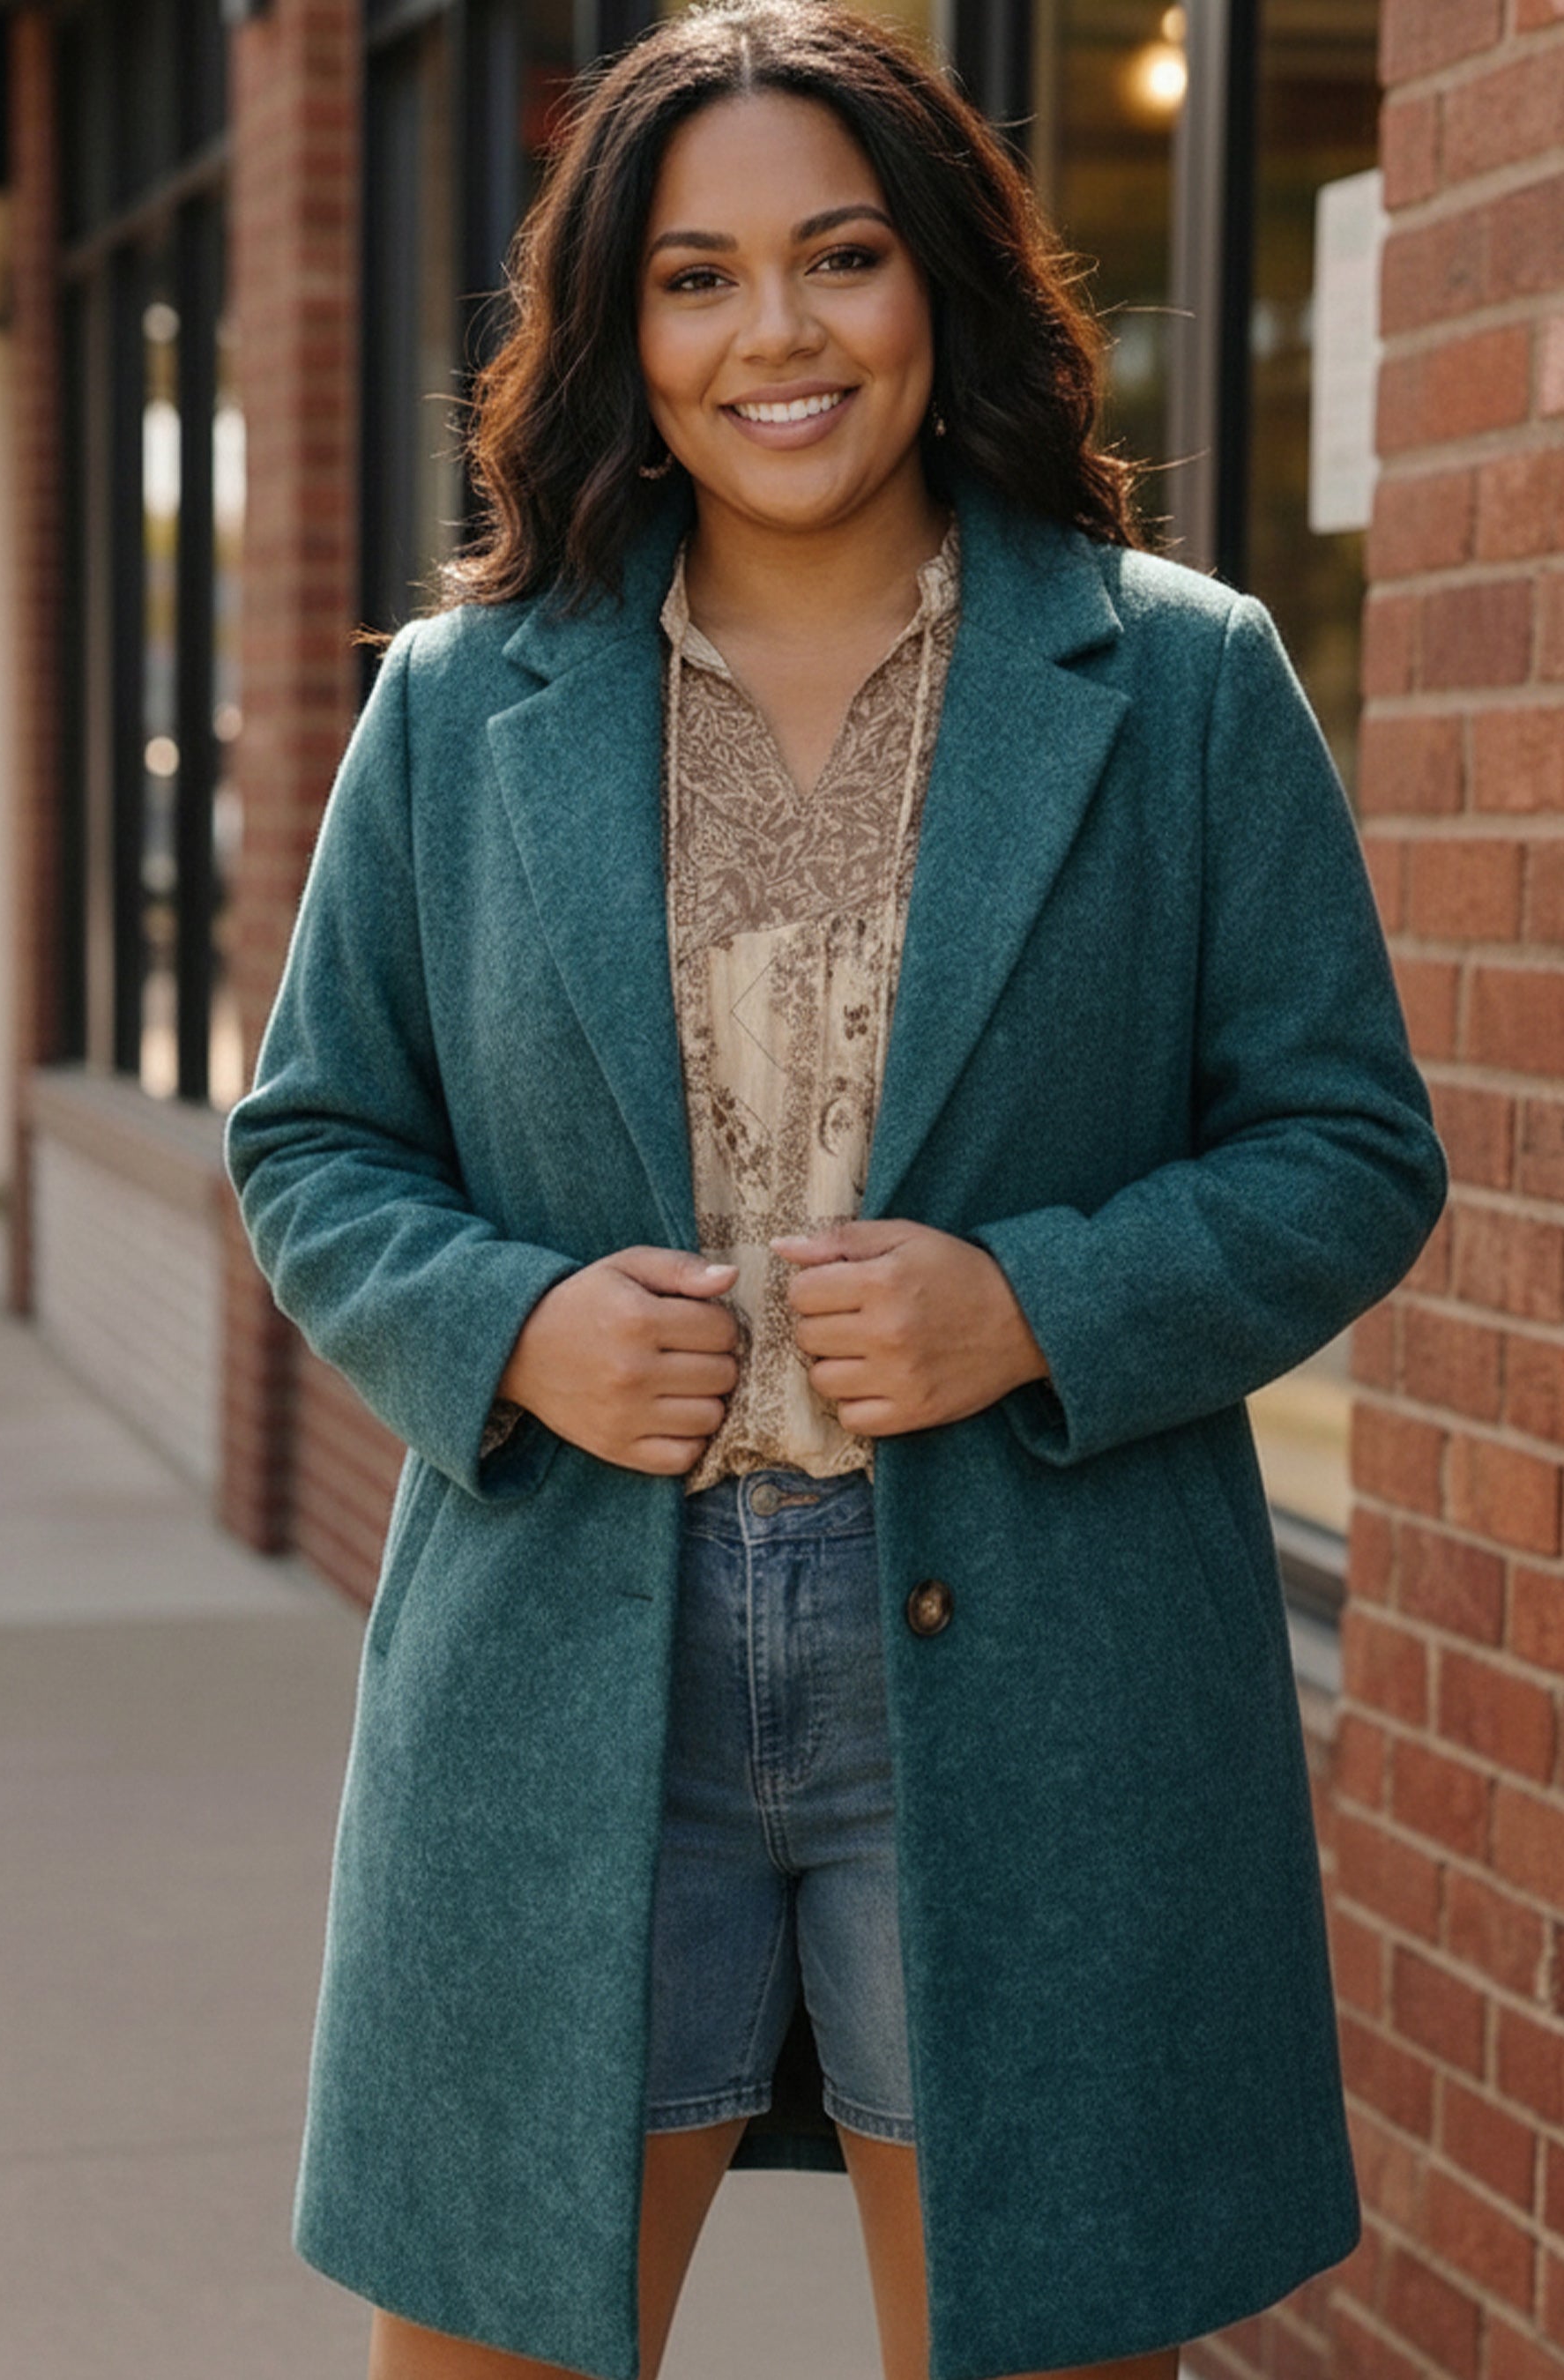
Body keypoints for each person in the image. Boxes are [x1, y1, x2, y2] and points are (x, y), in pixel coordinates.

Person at [223, 5, 1448, 2377]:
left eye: (840, 256)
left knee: (1041, 2326)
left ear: (942, 285)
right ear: (621, 329)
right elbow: (314, 1137)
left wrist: (1039, 1302)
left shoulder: (1182, 684)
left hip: (1045, 1673)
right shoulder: (463, 712)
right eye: (695, 278)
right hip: (574, 1662)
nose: (773, 333)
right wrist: (510, 1326)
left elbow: (1349, 1149)